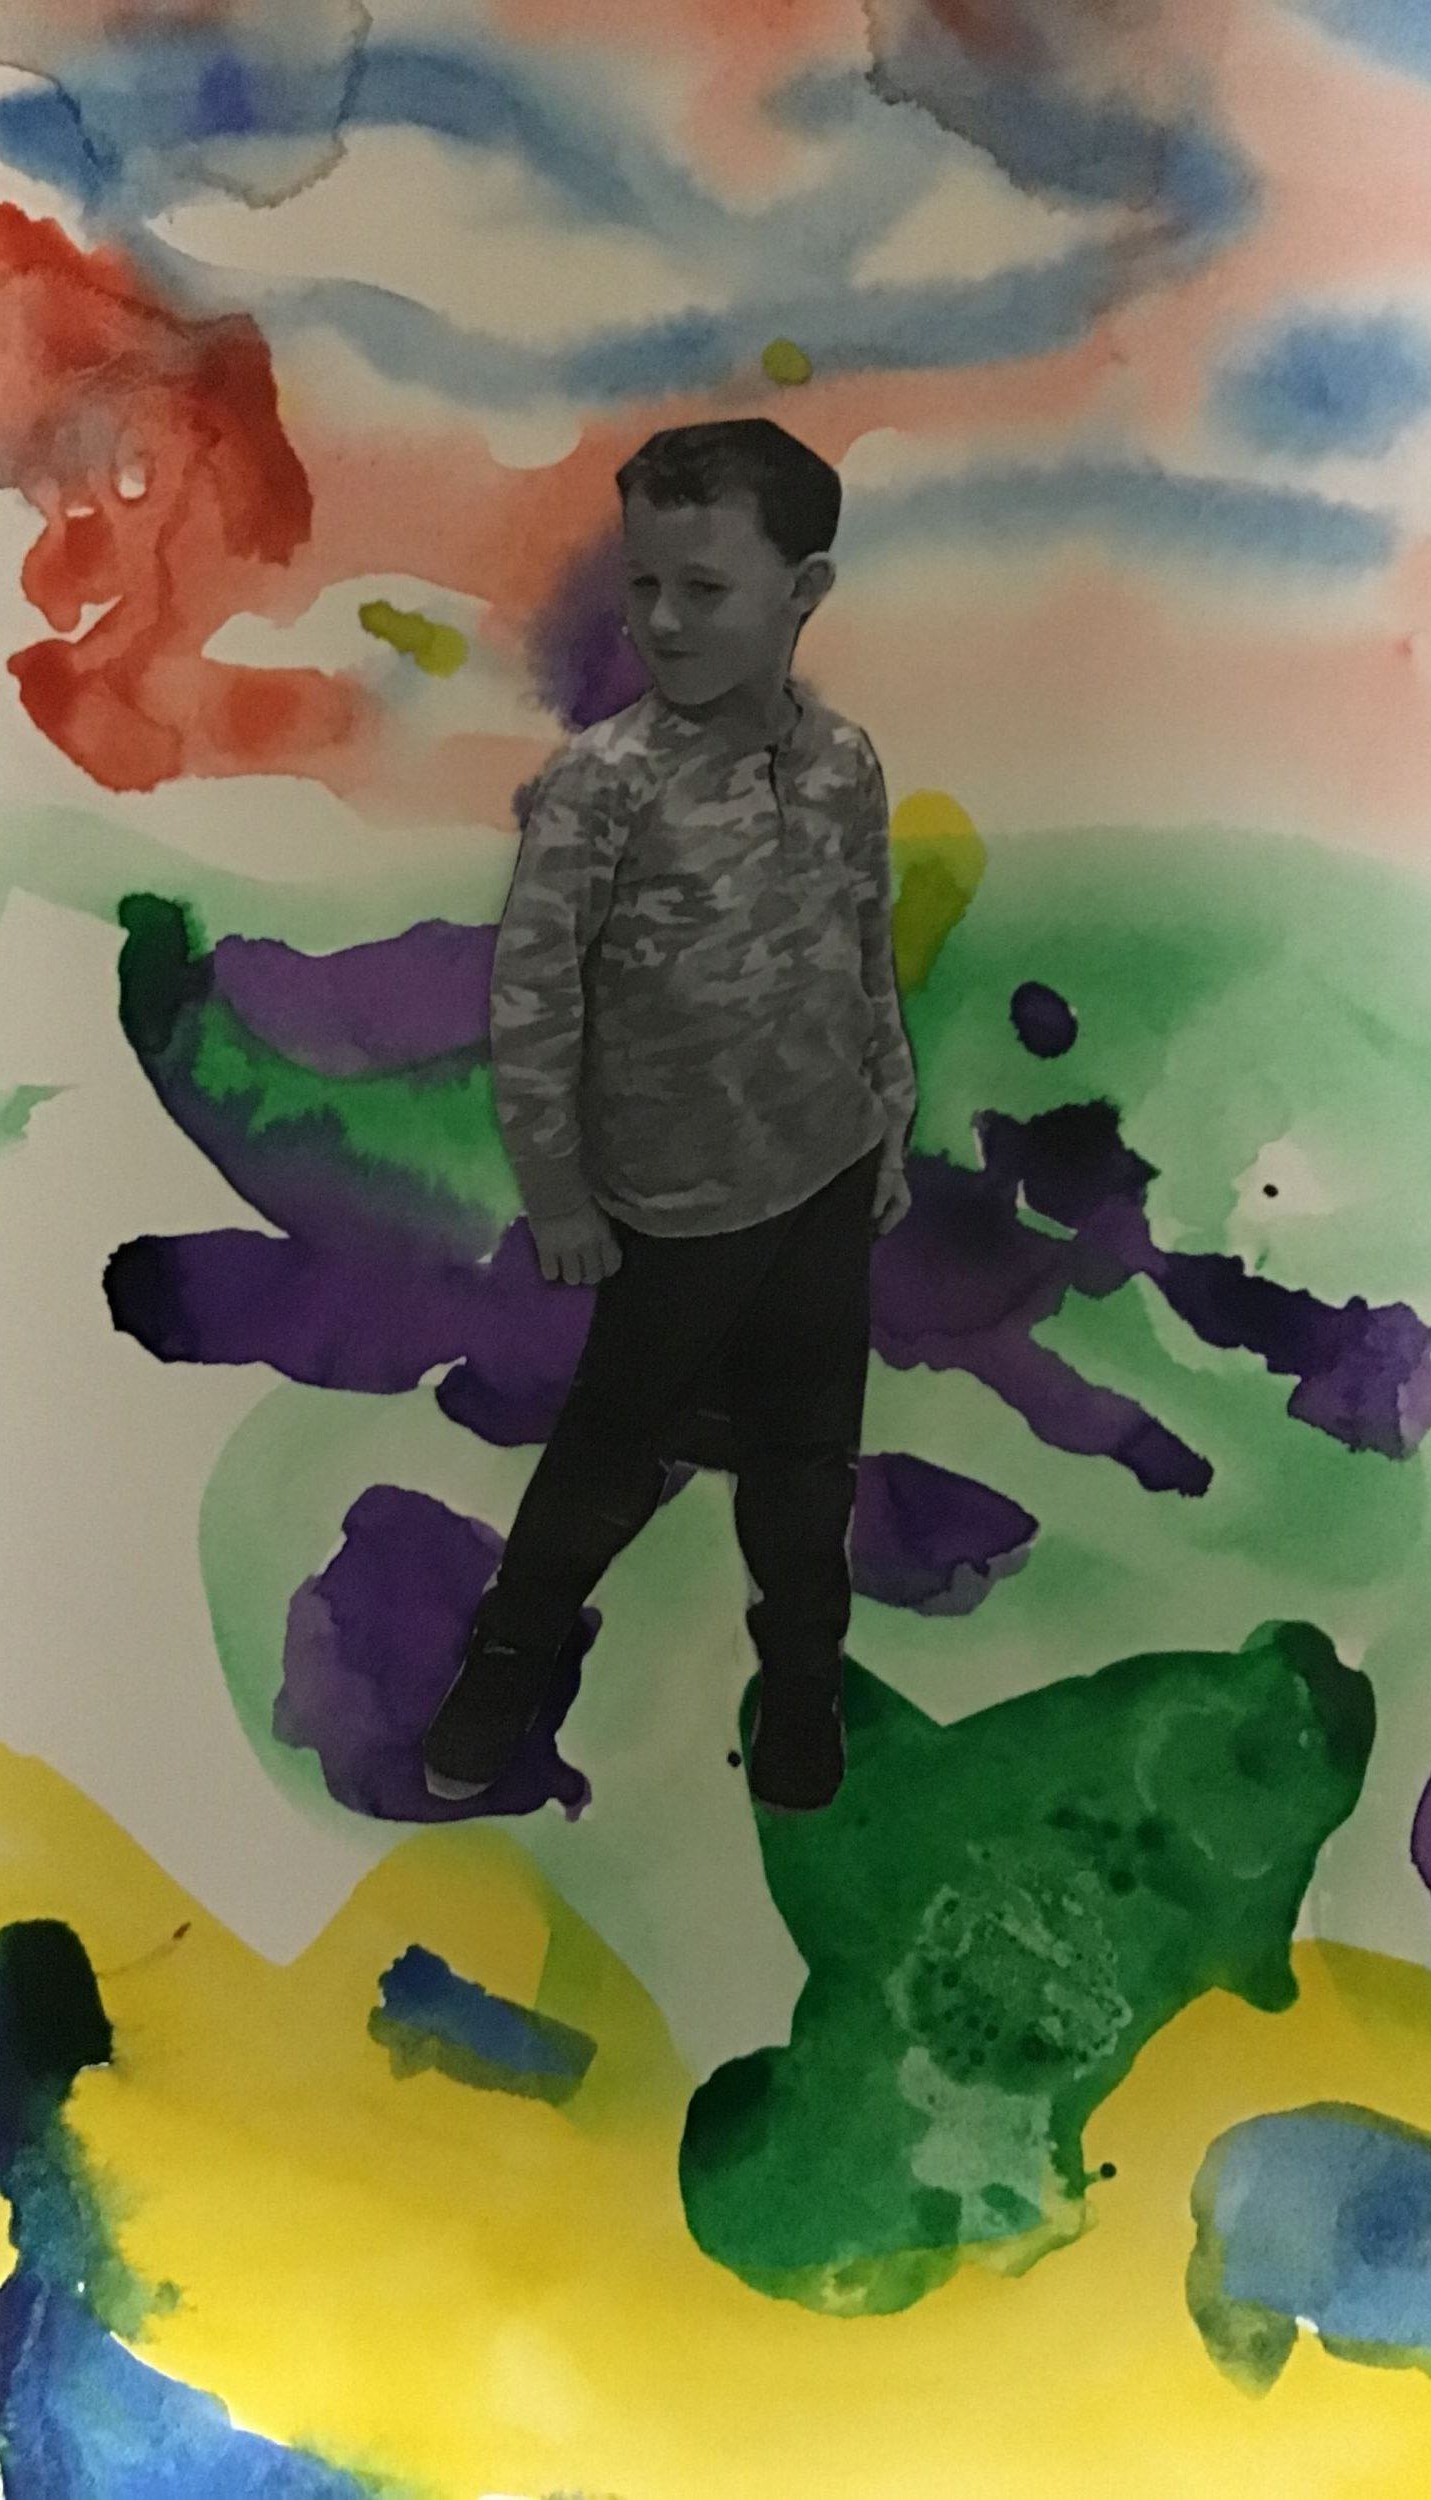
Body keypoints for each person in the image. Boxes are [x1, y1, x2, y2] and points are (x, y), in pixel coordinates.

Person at [419, 416, 917, 1815]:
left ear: (803, 592)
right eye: (644, 584)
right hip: (676, 1210)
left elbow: (863, 946)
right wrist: (558, 1193)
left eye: (704, 588)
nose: (663, 619)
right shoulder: (602, 787)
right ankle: (508, 1659)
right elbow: (532, 1004)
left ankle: (804, 1682)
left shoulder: (845, 763)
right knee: (608, 1451)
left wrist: (888, 1111)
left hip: (824, 1175)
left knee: (808, 1461)